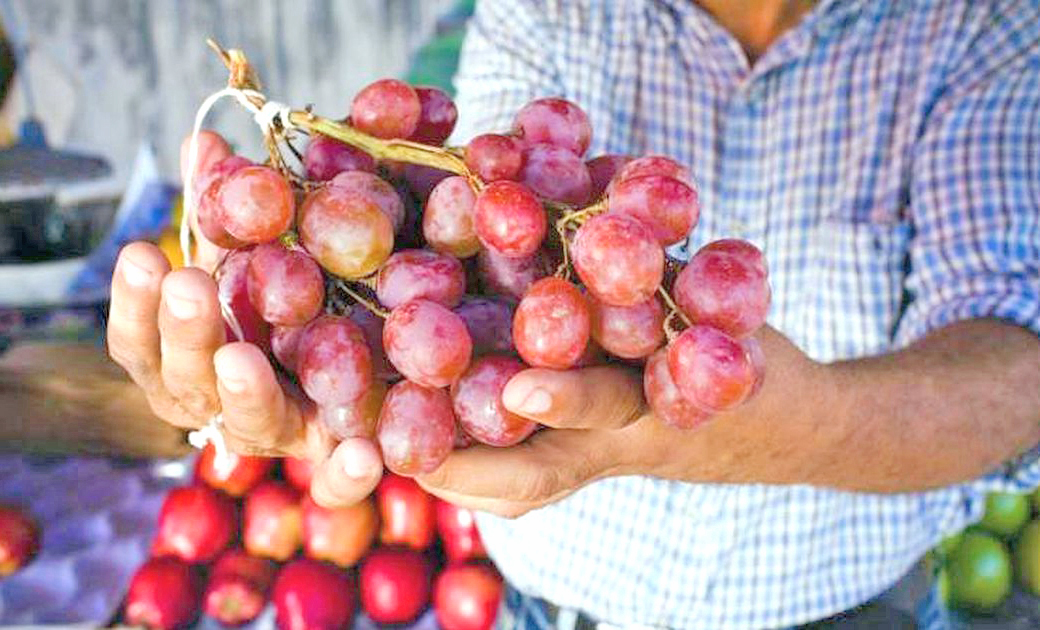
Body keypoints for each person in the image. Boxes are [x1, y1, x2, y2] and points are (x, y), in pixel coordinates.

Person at [106, 0, 1040, 627]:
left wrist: (788, 428)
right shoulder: (550, 6)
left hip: (855, 607)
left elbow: (1016, 364)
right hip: (549, 607)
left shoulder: (983, 23)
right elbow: (478, 242)